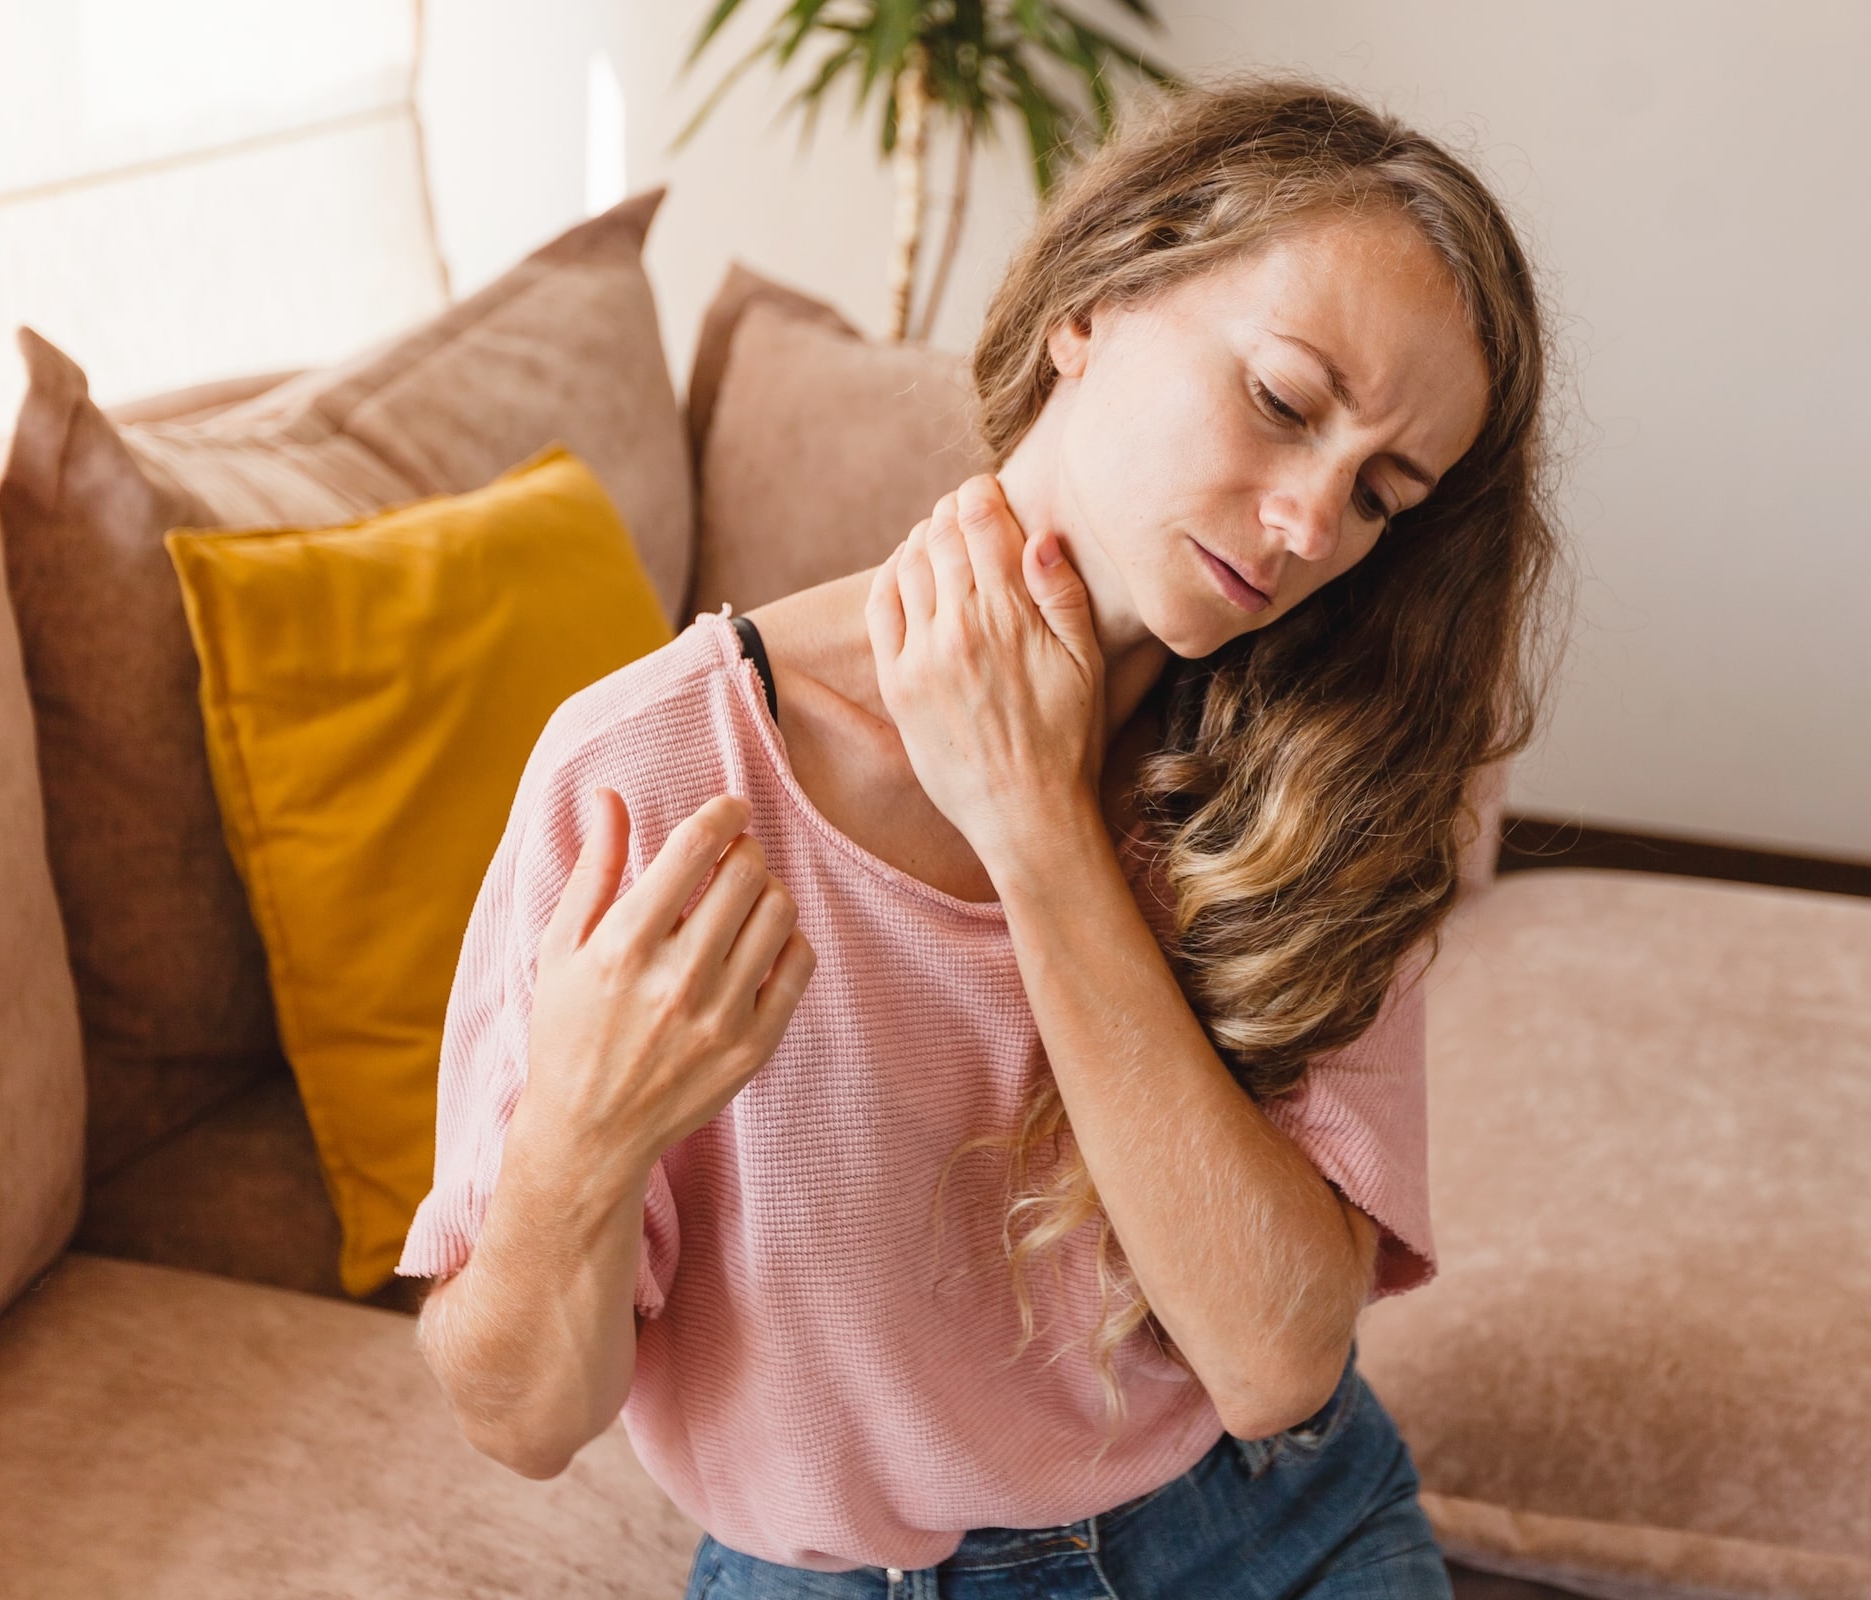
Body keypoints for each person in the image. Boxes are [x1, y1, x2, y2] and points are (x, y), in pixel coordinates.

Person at [402, 73, 1558, 1599]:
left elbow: (1277, 1357)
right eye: (1281, 402)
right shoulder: (655, 769)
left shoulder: (1323, 779)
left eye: (1380, 493)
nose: (1307, 526)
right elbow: (522, 1420)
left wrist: (1031, 821)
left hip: (1271, 1531)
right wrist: (577, 1146)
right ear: (1098, 296)